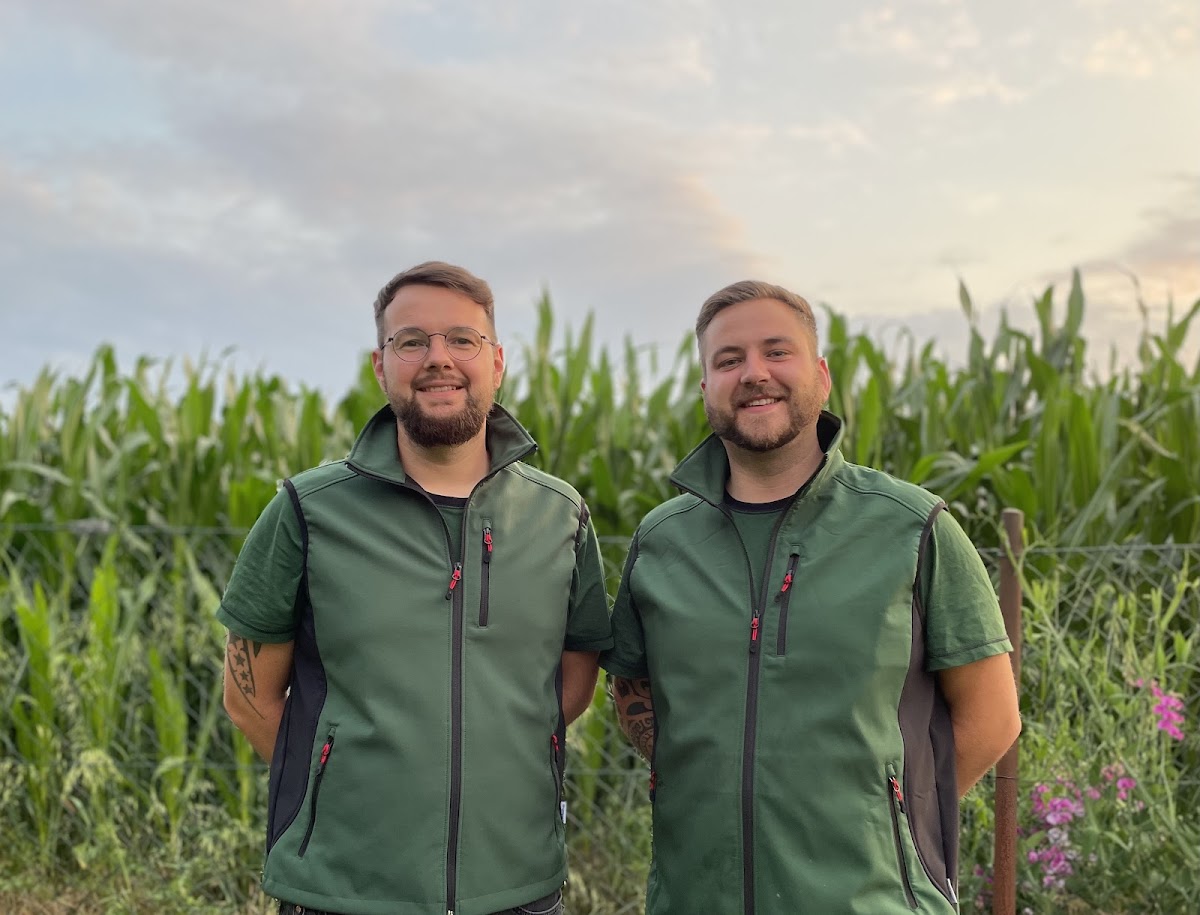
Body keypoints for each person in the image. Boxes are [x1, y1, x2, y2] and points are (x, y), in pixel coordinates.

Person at [602, 281, 1021, 914]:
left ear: (821, 377)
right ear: (706, 387)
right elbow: (633, 688)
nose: (754, 373)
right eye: (729, 360)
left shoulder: (911, 526)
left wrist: (887, 819)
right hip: (696, 896)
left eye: (777, 351)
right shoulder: (662, 539)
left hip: (872, 900)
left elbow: (992, 717)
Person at [218, 261, 612, 915]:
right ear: (381, 366)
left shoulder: (560, 516)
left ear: (497, 362)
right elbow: (248, 697)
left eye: (462, 339)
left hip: (517, 880)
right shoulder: (309, 510)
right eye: (411, 341)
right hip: (344, 887)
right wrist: (342, 790)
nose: (438, 359)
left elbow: (573, 679)